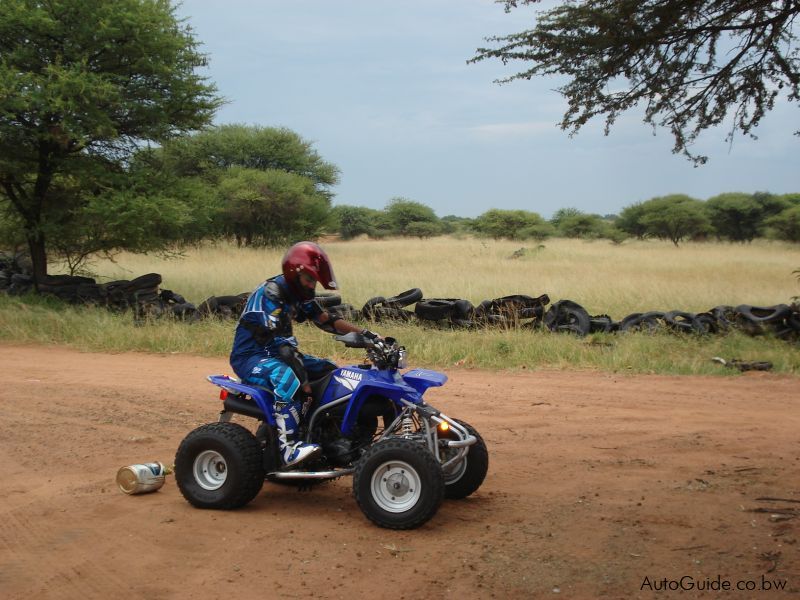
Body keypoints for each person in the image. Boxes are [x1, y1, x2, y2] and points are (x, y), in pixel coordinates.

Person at [230, 241, 379, 467]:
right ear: (294, 273)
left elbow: (325, 320)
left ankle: (325, 432)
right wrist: (304, 380)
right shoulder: (272, 293)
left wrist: (367, 336)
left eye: (314, 281)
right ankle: (289, 448)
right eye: (309, 280)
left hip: (279, 353)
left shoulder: (299, 293)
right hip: (251, 356)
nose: (312, 285)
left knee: (331, 371)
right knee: (287, 378)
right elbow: (284, 346)